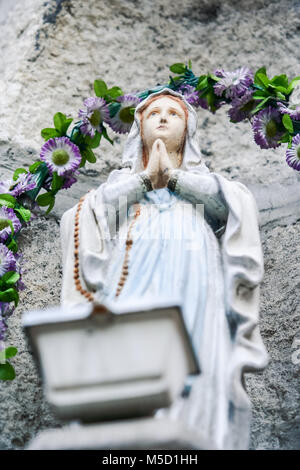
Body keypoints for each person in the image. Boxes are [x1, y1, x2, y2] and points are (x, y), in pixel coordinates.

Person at [60, 88, 268, 449]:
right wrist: (145, 179)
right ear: (137, 126)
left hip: (193, 266)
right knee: (130, 333)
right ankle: (130, 424)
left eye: (174, 113)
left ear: (188, 129)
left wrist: (173, 177)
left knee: (195, 336)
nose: (163, 118)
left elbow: (231, 205)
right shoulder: (119, 184)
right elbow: (84, 215)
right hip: (133, 263)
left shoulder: (207, 181)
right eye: (154, 112)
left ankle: (193, 425)